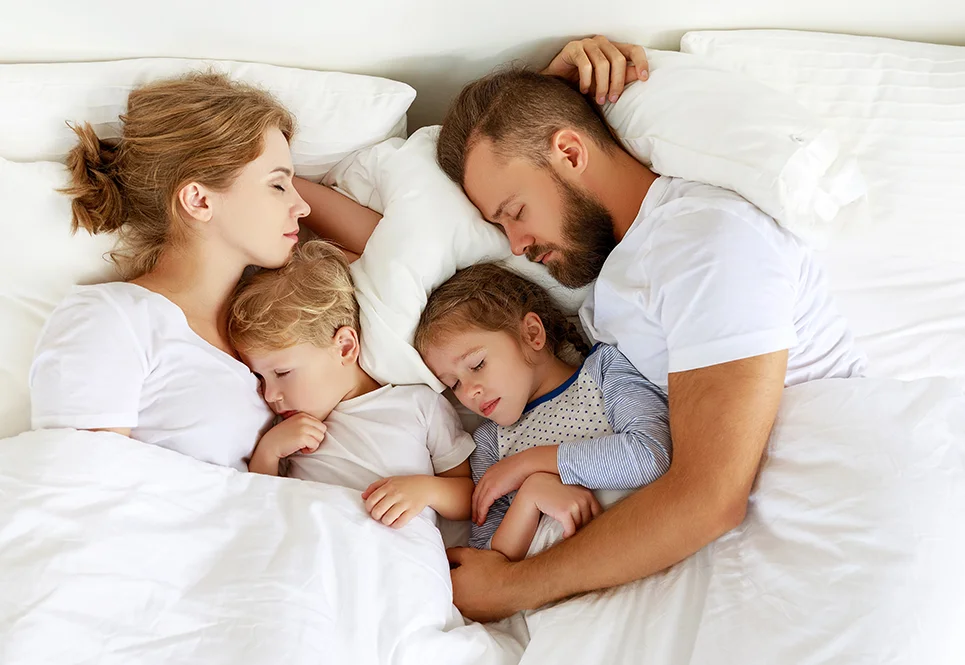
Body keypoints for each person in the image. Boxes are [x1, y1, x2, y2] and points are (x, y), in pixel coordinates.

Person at [435, 36, 867, 619]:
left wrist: (512, 587)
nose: (517, 244)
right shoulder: (623, 264)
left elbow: (709, 499)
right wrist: (539, 91)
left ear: (569, 152)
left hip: (833, 521)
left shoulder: (705, 243)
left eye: (514, 213)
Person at [29, 71, 380, 469]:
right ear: (198, 200)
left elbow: (382, 247)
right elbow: (78, 493)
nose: (302, 207)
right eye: (278, 186)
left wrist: (273, 172)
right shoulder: (112, 317)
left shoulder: (272, 315)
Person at [414, 262, 671, 562]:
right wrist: (530, 496)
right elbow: (486, 561)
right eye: (454, 383)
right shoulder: (489, 444)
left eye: (477, 365)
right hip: (559, 583)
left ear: (532, 334)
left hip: (645, 544)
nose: (469, 391)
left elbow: (652, 455)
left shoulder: (604, 371)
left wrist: (527, 465)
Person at [226, 240, 476, 528]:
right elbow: (263, 509)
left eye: (282, 373)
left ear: (344, 347)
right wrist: (268, 453)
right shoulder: (285, 436)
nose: (270, 395)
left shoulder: (418, 404)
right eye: (259, 377)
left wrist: (426, 490)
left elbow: (469, 497)